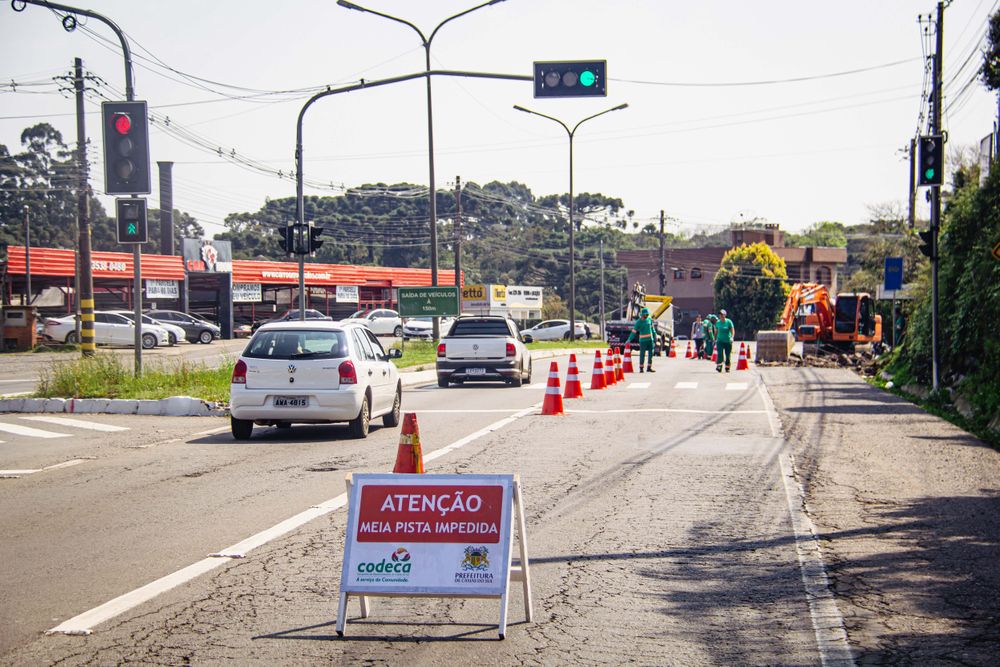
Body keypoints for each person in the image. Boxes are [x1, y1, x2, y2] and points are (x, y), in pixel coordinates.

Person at [625, 307, 656, 373]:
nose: (647, 315)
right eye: (645, 314)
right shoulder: (638, 322)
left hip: (650, 340)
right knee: (642, 354)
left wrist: (655, 336)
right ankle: (641, 368)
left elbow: (652, 329)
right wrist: (629, 339)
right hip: (643, 341)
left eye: (647, 314)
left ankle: (649, 367)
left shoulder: (649, 319)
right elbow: (633, 332)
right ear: (642, 314)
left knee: (651, 354)